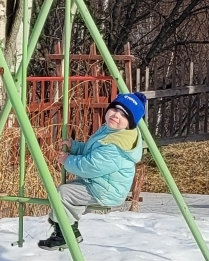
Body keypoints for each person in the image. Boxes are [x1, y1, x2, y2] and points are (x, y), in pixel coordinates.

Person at [38, 91, 147, 251]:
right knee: (67, 193)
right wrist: (75, 147)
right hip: (99, 183)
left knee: (63, 193)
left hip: (106, 190)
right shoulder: (111, 131)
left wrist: (68, 160)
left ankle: (66, 235)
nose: (116, 115)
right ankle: (67, 229)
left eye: (124, 115)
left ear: (130, 123)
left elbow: (91, 166)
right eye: (115, 109)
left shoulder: (116, 146)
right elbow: (93, 151)